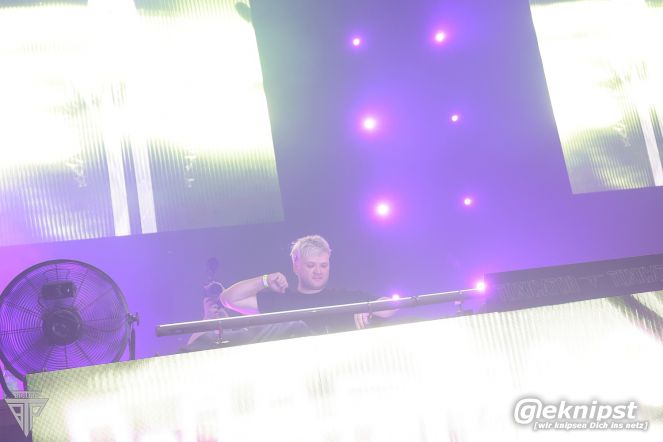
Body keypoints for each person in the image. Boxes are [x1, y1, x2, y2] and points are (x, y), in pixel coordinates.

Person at [220, 235, 395, 334]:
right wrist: (265, 280)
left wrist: (370, 308)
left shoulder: (346, 298)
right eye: (311, 265)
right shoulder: (281, 301)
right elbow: (229, 299)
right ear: (296, 266)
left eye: (324, 265)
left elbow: (391, 306)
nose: (318, 271)